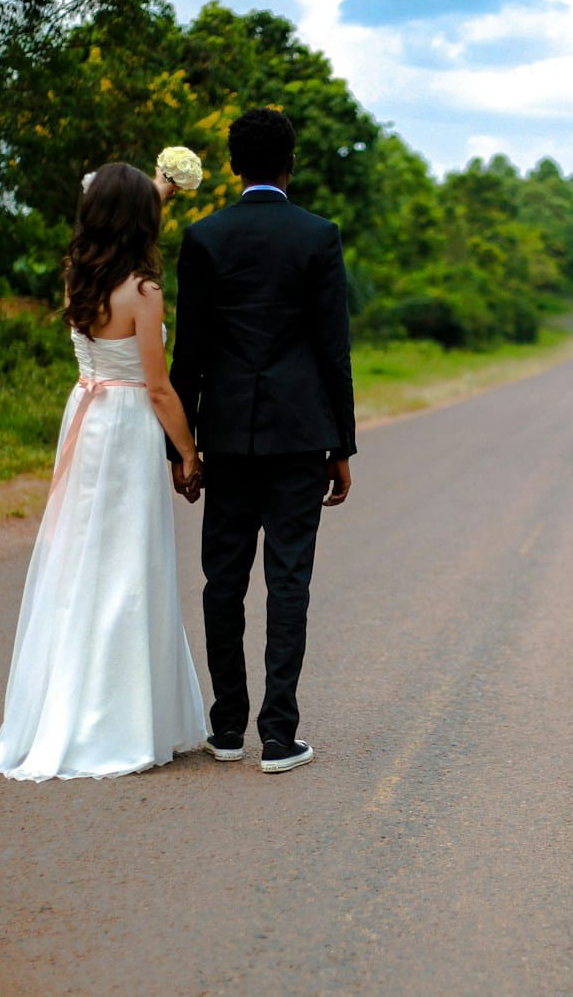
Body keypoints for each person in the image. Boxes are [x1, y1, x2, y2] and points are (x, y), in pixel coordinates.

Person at [0, 162, 208, 781]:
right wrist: (188, 452)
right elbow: (158, 387)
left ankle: (65, 707)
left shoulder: (79, 274)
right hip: (128, 422)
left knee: (83, 559)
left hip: (87, 413)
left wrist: (160, 184)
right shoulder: (145, 292)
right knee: (129, 561)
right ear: (142, 221)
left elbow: (121, 207)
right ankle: (119, 719)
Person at [168, 107, 356, 774]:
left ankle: (226, 729)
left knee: (222, 580)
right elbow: (334, 350)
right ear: (290, 163)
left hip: (226, 437)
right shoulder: (318, 235)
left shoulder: (204, 237)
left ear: (232, 165)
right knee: (288, 580)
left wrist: (181, 448)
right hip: (302, 436)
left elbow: (187, 353)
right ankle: (279, 734)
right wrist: (343, 445)